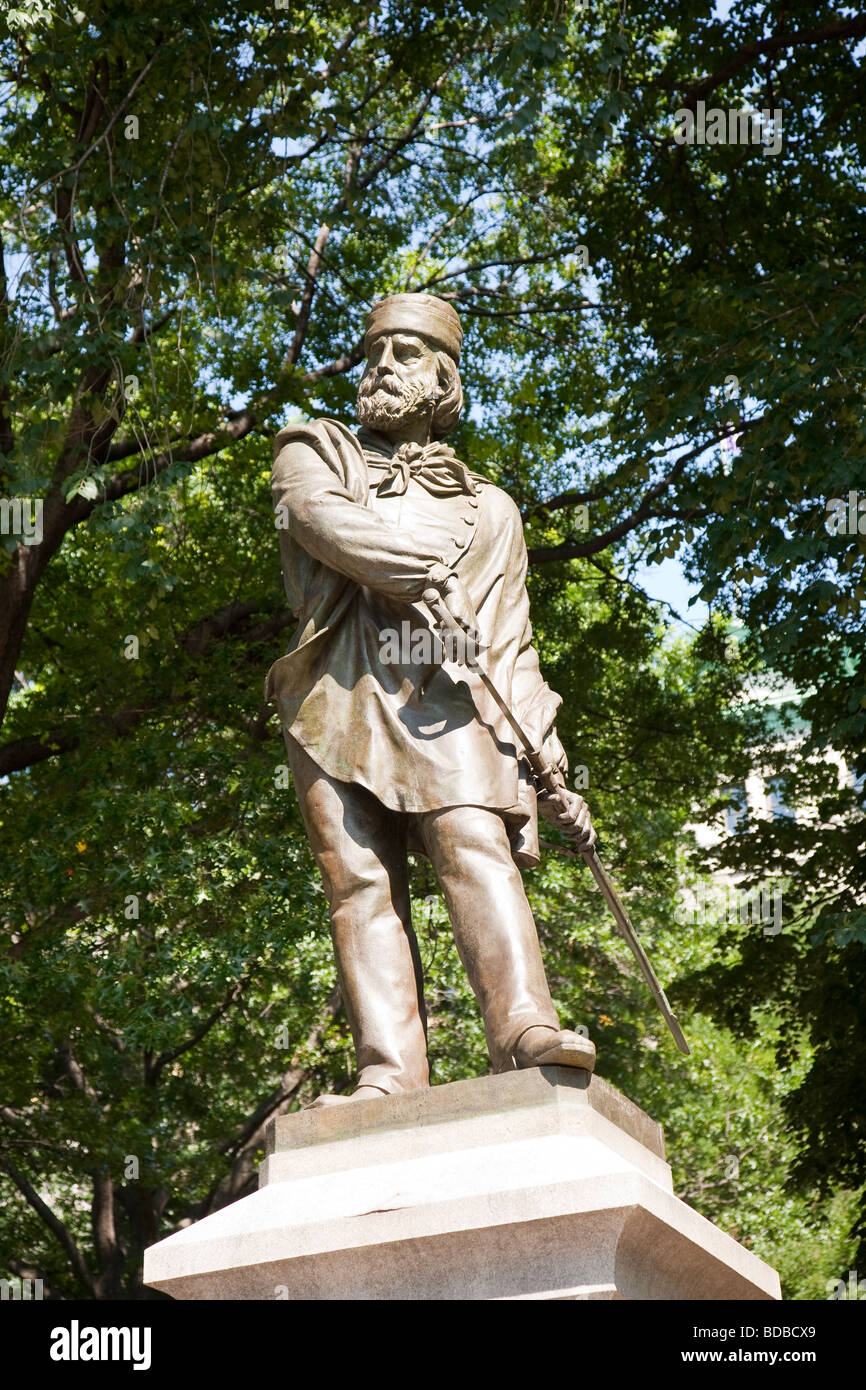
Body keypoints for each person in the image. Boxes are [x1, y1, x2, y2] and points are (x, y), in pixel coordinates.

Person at [266, 292, 597, 1105]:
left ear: (445, 377)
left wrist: (550, 767)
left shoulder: (494, 510)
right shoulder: (315, 449)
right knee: (360, 883)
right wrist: (420, 575)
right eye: (375, 351)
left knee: (471, 842)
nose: (382, 365)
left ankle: (524, 1032)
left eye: (406, 353)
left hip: (451, 702)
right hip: (337, 696)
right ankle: (388, 1072)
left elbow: (513, 644)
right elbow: (320, 521)